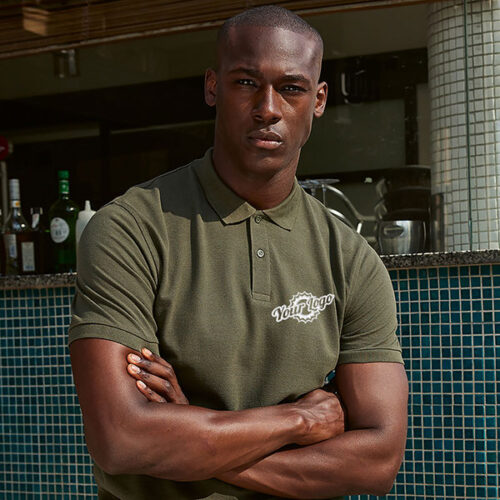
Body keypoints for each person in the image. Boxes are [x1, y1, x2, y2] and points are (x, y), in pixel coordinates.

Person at [69, 6, 408, 500]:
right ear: (213, 87)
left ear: (318, 100)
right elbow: (121, 439)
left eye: (291, 88)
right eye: (246, 82)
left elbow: (377, 462)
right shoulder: (130, 229)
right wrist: (298, 419)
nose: (268, 107)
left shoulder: (352, 260)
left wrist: (191, 434)